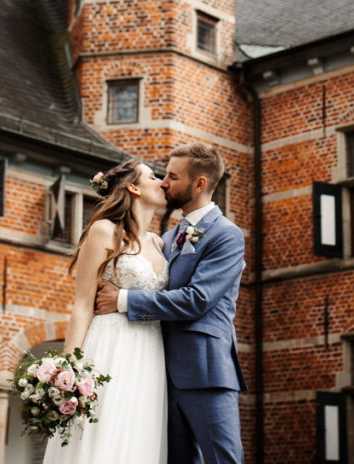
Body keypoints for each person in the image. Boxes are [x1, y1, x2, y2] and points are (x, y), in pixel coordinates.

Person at [95, 141, 247, 464]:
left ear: (200, 184)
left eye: (172, 177)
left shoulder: (226, 235)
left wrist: (122, 299)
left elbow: (197, 300)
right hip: (160, 373)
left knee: (223, 459)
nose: (164, 182)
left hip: (206, 372)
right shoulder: (167, 237)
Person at [42, 158, 168, 464]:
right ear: (134, 188)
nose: (162, 182)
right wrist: (69, 366)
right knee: (104, 430)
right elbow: (84, 303)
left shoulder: (158, 243)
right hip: (112, 345)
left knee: (141, 433)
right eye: (153, 176)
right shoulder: (104, 230)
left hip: (151, 352)